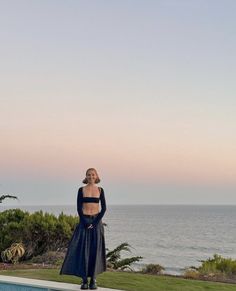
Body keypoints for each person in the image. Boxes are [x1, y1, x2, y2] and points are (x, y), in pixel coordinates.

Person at [59, 168, 107, 290]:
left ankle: (93, 280)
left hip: (96, 222)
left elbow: (104, 208)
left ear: (96, 176)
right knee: (82, 250)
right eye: (88, 175)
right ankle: (84, 280)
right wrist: (85, 223)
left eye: (92, 174)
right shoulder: (81, 190)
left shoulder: (100, 190)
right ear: (86, 176)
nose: (90, 176)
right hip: (84, 222)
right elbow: (79, 208)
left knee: (95, 251)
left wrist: (95, 223)